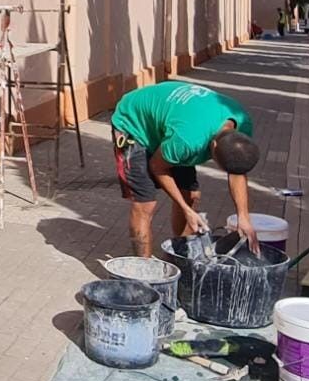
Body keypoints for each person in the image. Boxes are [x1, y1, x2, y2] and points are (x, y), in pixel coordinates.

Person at [110, 81, 262, 258]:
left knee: (190, 195)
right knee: (145, 204)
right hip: (133, 125)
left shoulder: (242, 124)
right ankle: (143, 270)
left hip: (174, 123)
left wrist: (243, 217)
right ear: (211, 145)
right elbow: (157, 166)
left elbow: (237, 171)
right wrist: (185, 210)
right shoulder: (188, 141)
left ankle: (181, 258)